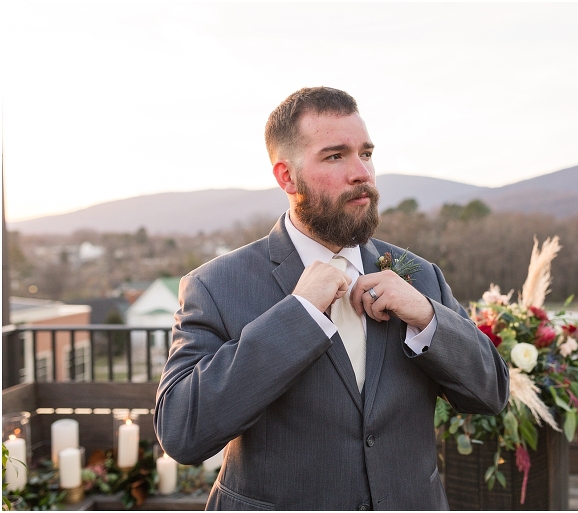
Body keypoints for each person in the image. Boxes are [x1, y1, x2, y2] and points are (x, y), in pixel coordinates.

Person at [154, 87, 509, 510]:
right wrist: (298, 315)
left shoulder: (421, 276)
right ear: (287, 176)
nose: (362, 172)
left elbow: (491, 393)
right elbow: (181, 431)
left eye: (367, 153)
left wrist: (427, 316)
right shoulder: (217, 285)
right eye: (336, 156)